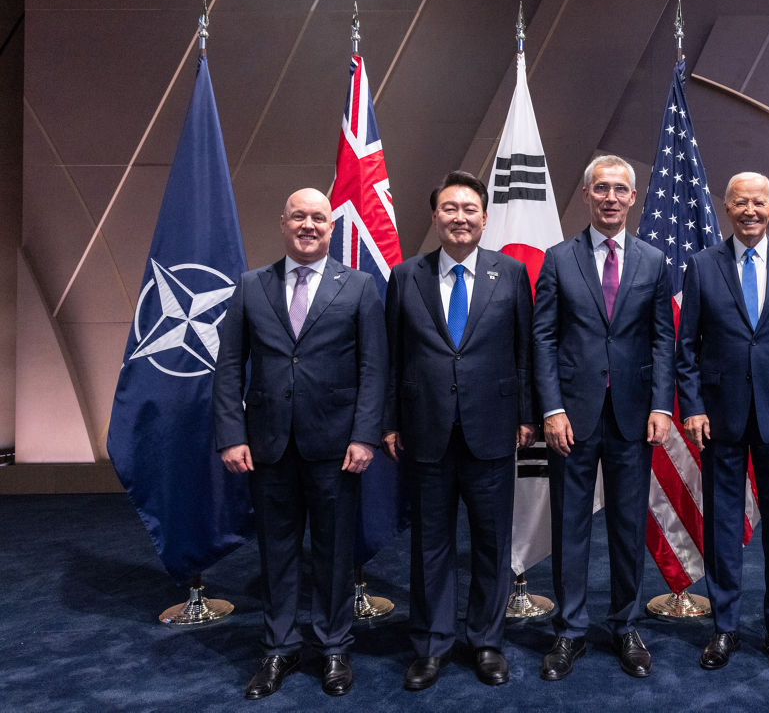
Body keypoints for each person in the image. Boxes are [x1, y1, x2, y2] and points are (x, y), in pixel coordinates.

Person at [213, 188, 387, 699]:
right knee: (277, 551)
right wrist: (231, 434)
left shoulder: (358, 287)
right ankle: (280, 648)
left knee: (334, 553)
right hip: (267, 446)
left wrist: (364, 435)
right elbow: (228, 367)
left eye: (319, 219)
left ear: (332, 229)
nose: (309, 226)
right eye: (299, 217)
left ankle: (333, 645)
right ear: (282, 223)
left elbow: (374, 369)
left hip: (337, 447)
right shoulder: (250, 286)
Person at [382, 171, 535, 690]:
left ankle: (486, 641)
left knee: (492, 543)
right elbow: (391, 356)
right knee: (431, 544)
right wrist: (388, 422)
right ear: (435, 216)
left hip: (492, 430)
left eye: (470, 208)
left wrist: (527, 415)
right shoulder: (407, 276)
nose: (460, 217)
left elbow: (525, 353)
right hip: (424, 431)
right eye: (449, 208)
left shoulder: (511, 274)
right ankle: (430, 644)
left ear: (485, 217)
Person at [532, 155, 675, 681]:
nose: (611, 198)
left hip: (635, 417)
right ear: (588, 195)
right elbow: (542, 337)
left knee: (627, 524)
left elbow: (663, 337)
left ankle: (625, 624)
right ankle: (569, 631)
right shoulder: (556, 259)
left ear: (633, 198)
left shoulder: (654, 260)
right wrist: (550, 408)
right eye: (601, 189)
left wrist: (662, 405)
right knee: (570, 525)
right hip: (571, 416)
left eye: (620, 190)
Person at [675, 172, 769, 674]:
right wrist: (691, 406)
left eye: (759, 202)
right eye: (741, 203)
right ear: (727, 207)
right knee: (721, 525)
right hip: (719, 418)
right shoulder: (701, 265)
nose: (750, 211)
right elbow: (686, 349)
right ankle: (725, 627)